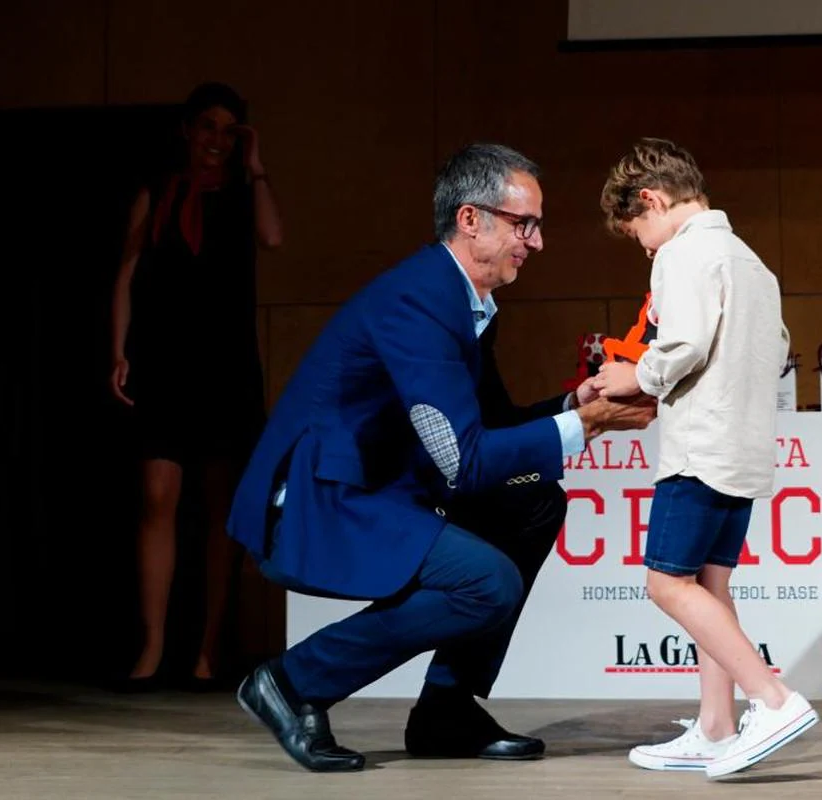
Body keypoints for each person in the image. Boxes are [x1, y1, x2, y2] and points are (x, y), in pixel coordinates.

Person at [228, 143, 657, 773]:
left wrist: (575, 401)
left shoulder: (466, 303)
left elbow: (483, 429)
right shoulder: (421, 300)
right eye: (524, 224)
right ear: (469, 219)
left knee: (534, 501)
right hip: (322, 498)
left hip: (382, 486)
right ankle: (292, 683)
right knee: (487, 581)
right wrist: (586, 423)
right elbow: (467, 461)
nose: (535, 242)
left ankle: (447, 711)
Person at [593, 138, 816, 779]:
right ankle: (716, 728)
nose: (645, 246)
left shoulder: (685, 251)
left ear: (652, 201)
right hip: (744, 447)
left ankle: (772, 701)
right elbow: (775, 349)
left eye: (640, 233)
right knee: (711, 587)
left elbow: (684, 344)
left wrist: (631, 376)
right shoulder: (751, 263)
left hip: (699, 450)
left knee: (667, 583)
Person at [109, 82, 283, 691]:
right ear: (187, 130)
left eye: (228, 130)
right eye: (207, 126)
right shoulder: (156, 192)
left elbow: (273, 238)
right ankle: (153, 647)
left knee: (220, 506)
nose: (216, 139)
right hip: (162, 359)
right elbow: (128, 271)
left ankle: (208, 650)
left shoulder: (241, 193)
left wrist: (256, 167)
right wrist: (119, 350)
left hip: (225, 362)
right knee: (157, 497)